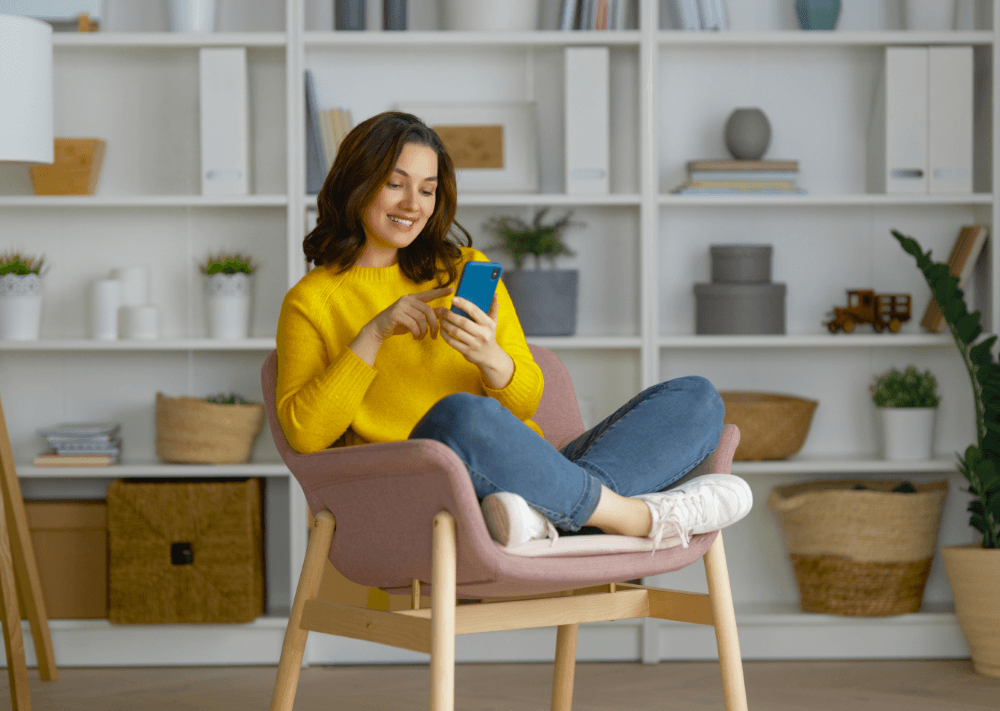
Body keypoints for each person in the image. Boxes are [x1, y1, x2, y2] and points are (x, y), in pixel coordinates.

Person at [275, 111, 752, 551]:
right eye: (394, 184)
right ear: (356, 184)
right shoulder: (311, 300)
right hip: (429, 487)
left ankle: (544, 517)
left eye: (427, 189)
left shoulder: (464, 268)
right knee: (462, 416)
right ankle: (630, 517)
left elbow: (524, 404)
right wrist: (372, 335)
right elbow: (305, 436)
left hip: (533, 469)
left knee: (696, 397)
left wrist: (490, 358)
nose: (412, 205)